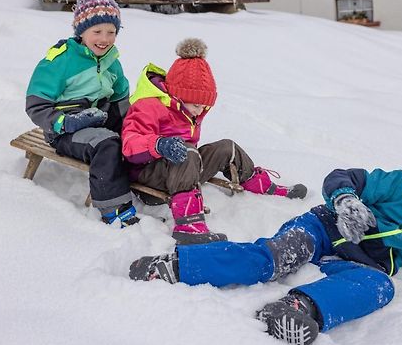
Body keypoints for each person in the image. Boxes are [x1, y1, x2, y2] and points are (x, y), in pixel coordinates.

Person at [129, 162, 402, 345]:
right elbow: (342, 177)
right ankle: (178, 265)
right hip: (324, 228)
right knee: (273, 258)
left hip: (359, 262)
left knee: (380, 287)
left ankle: (297, 308)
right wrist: (345, 200)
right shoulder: (401, 186)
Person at [121, 38, 307, 245]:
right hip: (148, 178)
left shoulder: (189, 110)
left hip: (183, 171)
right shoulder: (149, 106)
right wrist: (158, 145)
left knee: (226, 147)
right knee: (188, 152)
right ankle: (188, 225)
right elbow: (130, 146)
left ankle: (262, 185)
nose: (200, 111)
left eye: (204, 106)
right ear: (177, 96)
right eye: (196, 105)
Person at [26, 0, 137, 228]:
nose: (105, 39)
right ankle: (114, 208)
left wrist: (133, 127)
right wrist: (66, 122)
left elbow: (121, 101)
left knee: (135, 135)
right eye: (97, 31)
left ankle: (148, 180)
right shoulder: (61, 59)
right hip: (64, 131)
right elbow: (35, 105)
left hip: (98, 117)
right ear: (81, 31)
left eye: (111, 32)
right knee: (107, 144)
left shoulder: (111, 60)